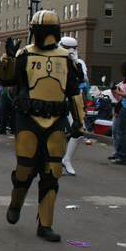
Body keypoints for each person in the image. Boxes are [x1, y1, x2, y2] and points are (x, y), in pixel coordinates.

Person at [0, 11, 84, 242]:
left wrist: (79, 121)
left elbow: (74, 91)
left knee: (52, 172)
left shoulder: (66, 57)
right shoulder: (25, 54)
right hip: (28, 117)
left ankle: (45, 225)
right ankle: (16, 204)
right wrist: (8, 60)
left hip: (56, 118)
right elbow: (6, 80)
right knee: (25, 170)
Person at [59, 36, 88, 176]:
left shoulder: (79, 62)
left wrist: (76, 65)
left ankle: (66, 159)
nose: (71, 51)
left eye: (73, 48)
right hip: (57, 100)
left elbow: (84, 80)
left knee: (78, 130)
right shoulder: (55, 60)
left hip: (73, 99)